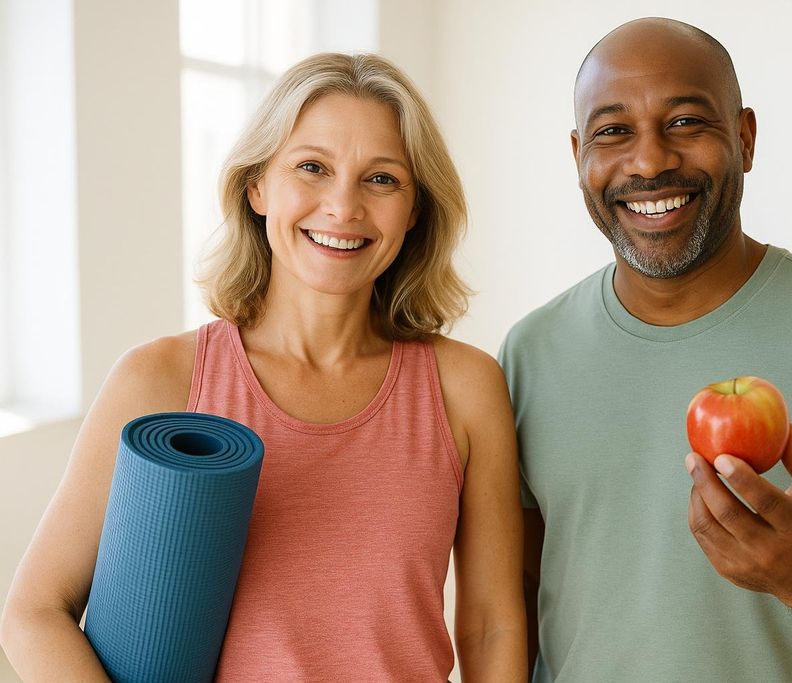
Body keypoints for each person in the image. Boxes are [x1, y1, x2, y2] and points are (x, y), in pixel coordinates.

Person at [0, 53, 527, 682]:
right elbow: (33, 613)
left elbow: (492, 620)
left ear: (415, 209)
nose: (343, 205)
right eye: (311, 167)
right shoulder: (162, 381)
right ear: (257, 187)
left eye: (382, 179)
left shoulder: (464, 387)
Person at [498, 18, 792, 683]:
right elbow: (511, 608)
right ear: (579, 155)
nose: (650, 160)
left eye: (687, 122)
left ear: (744, 138)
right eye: (612, 131)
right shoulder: (529, 353)